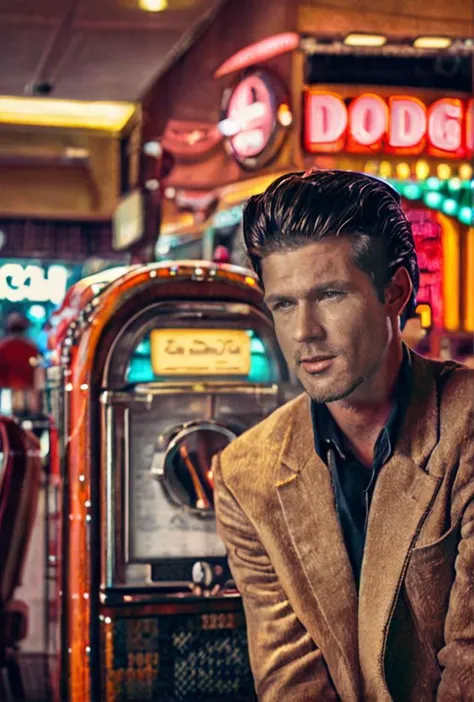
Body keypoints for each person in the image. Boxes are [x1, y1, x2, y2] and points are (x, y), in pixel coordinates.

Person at [213, 170, 474, 701]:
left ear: (395, 292)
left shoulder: (466, 424)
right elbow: (291, 679)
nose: (304, 331)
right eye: (283, 304)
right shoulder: (246, 472)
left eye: (329, 295)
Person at [0, 311, 40, 389]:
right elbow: (36, 372)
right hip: (27, 392)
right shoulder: (31, 348)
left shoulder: (2, 347)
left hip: (5, 392)